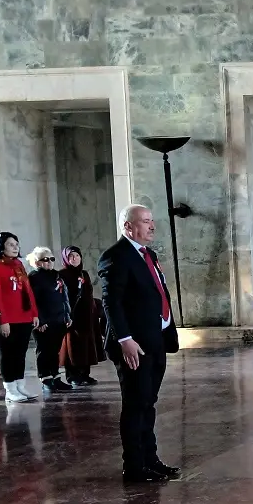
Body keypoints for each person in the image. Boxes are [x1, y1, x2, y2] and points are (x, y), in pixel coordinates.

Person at [99, 205, 181, 484]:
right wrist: (125, 340)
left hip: (155, 340)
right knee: (135, 404)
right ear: (128, 227)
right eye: (145, 221)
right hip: (133, 345)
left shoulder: (149, 255)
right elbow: (112, 302)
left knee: (149, 402)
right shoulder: (116, 256)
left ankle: (150, 459)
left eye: (151, 220)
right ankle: (134, 466)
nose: (152, 226)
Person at [0, 233, 39, 403]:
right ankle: (10, 389)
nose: (15, 247)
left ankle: (20, 385)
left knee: (20, 354)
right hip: (7, 319)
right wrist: (3, 320)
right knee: (8, 354)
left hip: (23, 317)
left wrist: (34, 313)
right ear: (1, 247)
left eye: (16, 244)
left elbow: (27, 291)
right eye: (10, 244)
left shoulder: (18, 265)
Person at [26, 247, 73, 395]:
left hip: (58, 319)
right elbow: (32, 301)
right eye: (45, 259)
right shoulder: (33, 277)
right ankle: (45, 378)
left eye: (52, 259)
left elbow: (63, 296)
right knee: (44, 350)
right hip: (43, 321)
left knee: (55, 350)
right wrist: (40, 320)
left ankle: (55, 376)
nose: (50, 262)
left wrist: (67, 316)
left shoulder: (56, 275)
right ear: (37, 262)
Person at [59, 246, 103, 386]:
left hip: (87, 315)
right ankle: (73, 375)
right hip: (73, 315)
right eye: (71, 256)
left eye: (77, 255)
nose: (75, 258)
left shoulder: (84, 274)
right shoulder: (62, 274)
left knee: (87, 344)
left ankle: (85, 374)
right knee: (72, 345)